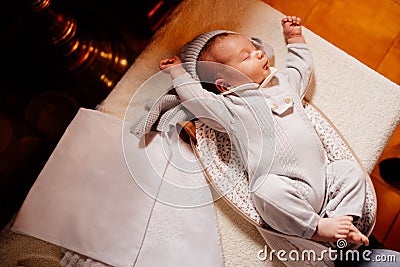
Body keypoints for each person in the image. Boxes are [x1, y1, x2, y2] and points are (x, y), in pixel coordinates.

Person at [159, 15, 369, 246]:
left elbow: (301, 69)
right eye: (246, 56)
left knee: (349, 170)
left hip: (325, 179)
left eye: (255, 48)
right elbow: (199, 100)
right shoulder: (231, 108)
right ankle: (316, 228)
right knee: (264, 189)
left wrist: (295, 38)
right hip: (284, 184)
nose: (259, 53)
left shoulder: (282, 82)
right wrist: (179, 74)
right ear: (224, 85)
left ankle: (344, 220)